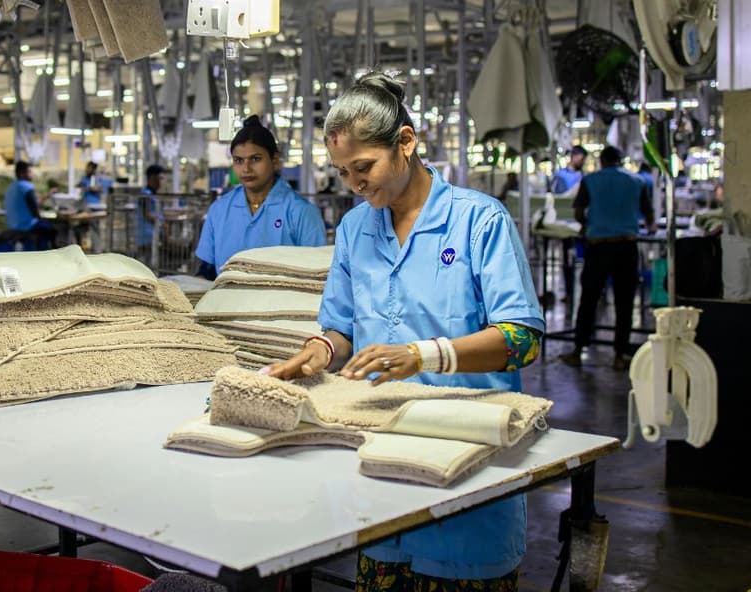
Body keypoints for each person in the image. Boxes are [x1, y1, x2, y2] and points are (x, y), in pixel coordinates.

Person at [266, 72, 544, 591]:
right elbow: (342, 326)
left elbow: (522, 338)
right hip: (382, 456)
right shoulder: (356, 229)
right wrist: (319, 351)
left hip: (469, 455)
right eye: (342, 172)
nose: (354, 183)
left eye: (364, 167)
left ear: (406, 142)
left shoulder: (479, 221)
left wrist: (423, 355)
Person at [195, 115, 326, 278]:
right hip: (226, 294)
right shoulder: (219, 210)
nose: (246, 168)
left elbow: (317, 274)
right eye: (239, 160)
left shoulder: (301, 212)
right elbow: (206, 270)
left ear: (275, 160)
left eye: (255, 159)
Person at [562, 146, 655, 370]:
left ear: (602, 161)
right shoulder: (637, 181)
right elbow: (649, 215)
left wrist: (590, 224)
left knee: (588, 300)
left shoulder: (590, 180)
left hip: (598, 247)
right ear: (620, 161)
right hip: (627, 247)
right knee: (625, 302)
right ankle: (619, 355)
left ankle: (578, 351)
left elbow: (578, 212)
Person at [2, 160, 57, 250]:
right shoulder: (26, 186)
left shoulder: (10, 187)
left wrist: (47, 195)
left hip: (12, 225)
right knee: (53, 230)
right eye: (29, 172)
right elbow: (35, 211)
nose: (31, 174)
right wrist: (43, 217)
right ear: (22, 174)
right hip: (26, 226)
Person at [136, 164, 166, 264]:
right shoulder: (145, 194)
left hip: (154, 236)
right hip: (146, 236)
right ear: (152, 177)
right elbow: (146, 214)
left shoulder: (153, 194)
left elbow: (158, 212)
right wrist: (162, 224)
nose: (162, 182)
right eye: (160, 178)